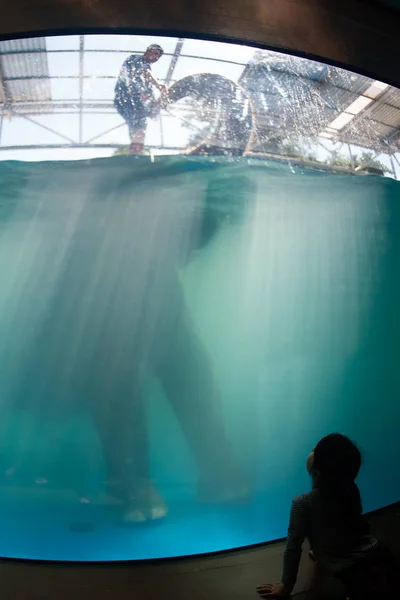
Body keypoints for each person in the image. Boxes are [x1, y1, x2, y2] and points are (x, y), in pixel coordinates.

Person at [257, 433, 397, 599]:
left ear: (317, 473)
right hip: (376, 551)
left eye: (315, 451)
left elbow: (293, 547)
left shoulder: (302, 503)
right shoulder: (350, 488)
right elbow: (355, 524)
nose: (312, 450)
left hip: (343, 565)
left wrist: (286, 585)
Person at [114, 44, 167, 155]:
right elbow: (145, 72)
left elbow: (146, 88)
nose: (156, 58)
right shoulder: (137, 59)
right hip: (127, 97)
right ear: (148, 51)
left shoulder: (143, 79)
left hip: (126, 101)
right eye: (156, 54)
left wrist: (152, 101)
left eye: (158, 57)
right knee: (139, 123)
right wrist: (159, 85)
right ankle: (136, 149)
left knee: (137, 124)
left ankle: (135, 149)